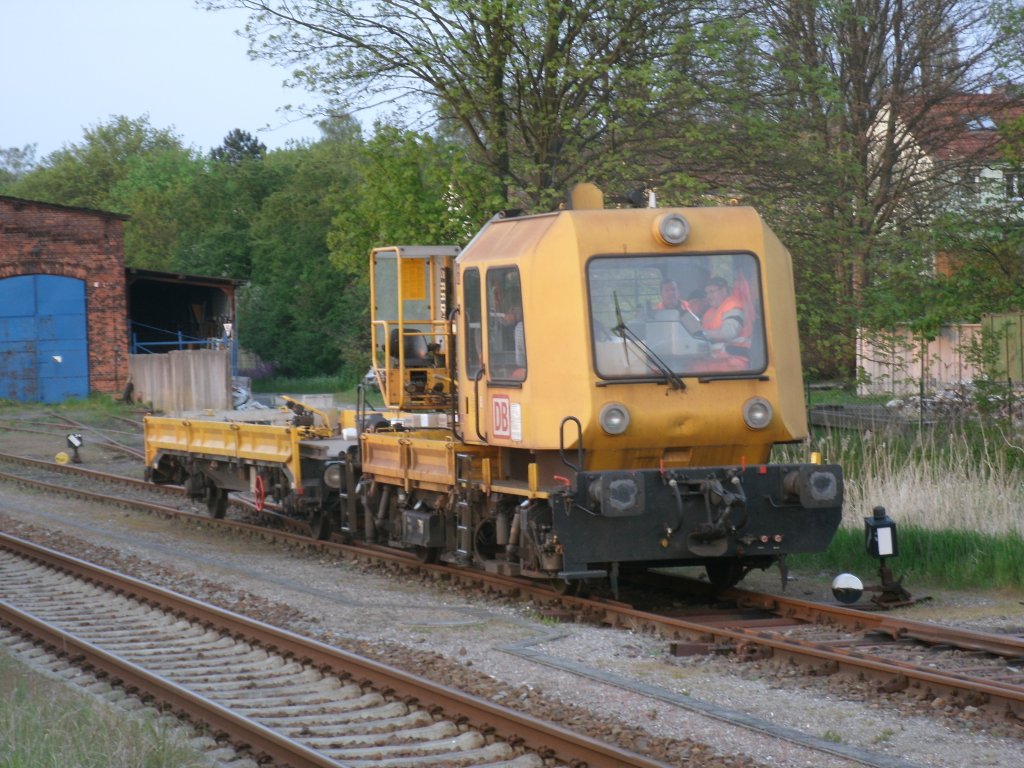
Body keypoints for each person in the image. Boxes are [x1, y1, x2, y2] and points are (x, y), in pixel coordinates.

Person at [701, 277, 747, 347]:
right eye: (707, 293)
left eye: (712, 292)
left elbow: (730, 333)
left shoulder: (733, 306)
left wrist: (704, 334)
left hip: (736, 352)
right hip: (714, 352)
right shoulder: (709, 312)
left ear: (724, 291)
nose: (708, 296)